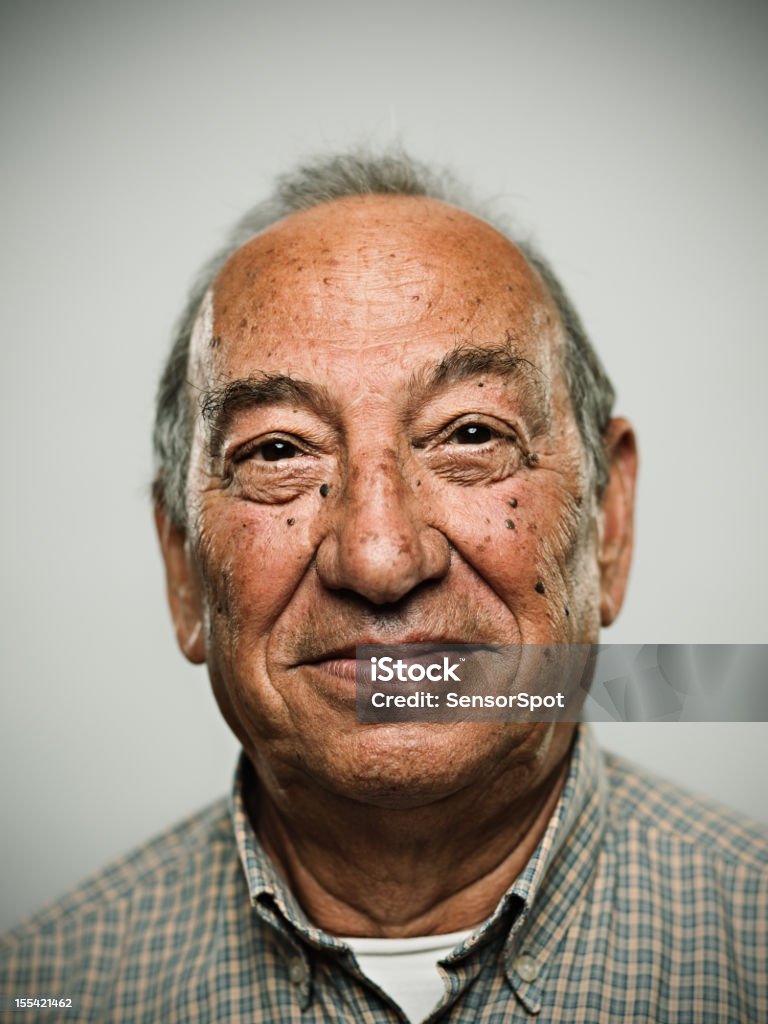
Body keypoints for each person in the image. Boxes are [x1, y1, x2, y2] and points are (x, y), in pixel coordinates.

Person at [1, 150, 766, 1023]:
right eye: (279, 452)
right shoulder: (45, 992)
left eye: (471, 434)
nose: (378, 557)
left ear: (607, 526)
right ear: (183, 570)